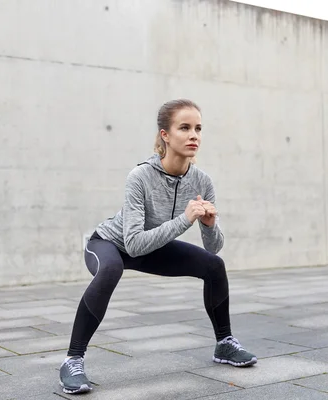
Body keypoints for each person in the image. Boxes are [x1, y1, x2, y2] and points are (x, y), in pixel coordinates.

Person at [59, 99, 257, 394]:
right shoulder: (140, 177)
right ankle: (72, 360)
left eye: (198, 128)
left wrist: (209, 225)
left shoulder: (202, 181)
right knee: (111, 270)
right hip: (111, 243)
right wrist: (184, 220)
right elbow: (134, 244)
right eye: (185, 128)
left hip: (152, 244)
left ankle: (225, 344)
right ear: (165, 135)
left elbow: (213, 248)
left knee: (214, 266)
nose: (194, 135)